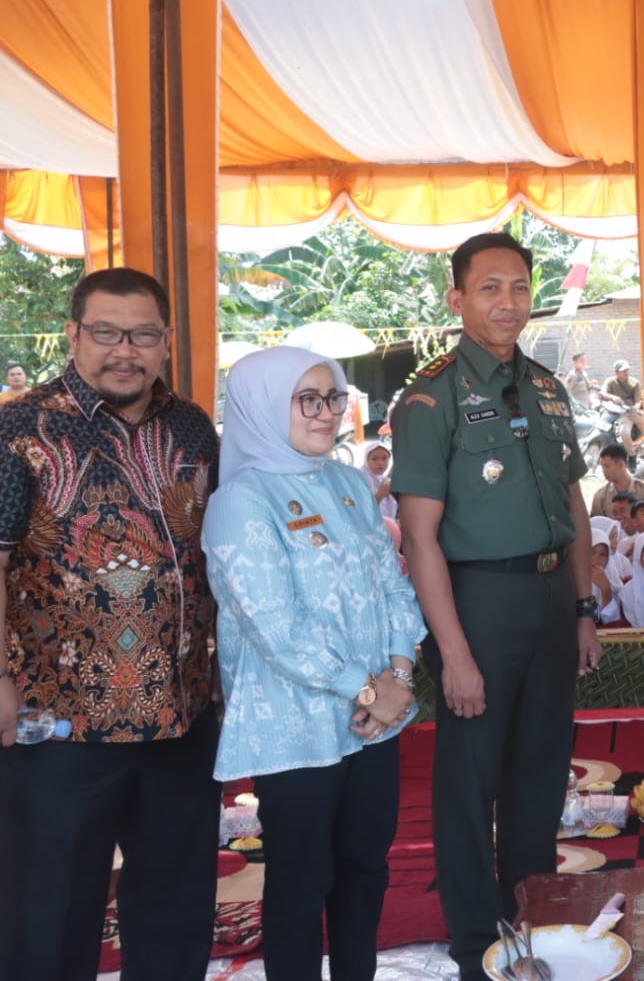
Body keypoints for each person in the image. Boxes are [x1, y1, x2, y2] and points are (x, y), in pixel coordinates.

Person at [389, 232, 603, 981]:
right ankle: (475, 942)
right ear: (456, 300)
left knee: (542, 772)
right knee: (468, 782)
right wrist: (452, 654)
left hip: (548, 598)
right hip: (477, 599)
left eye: (518, 287)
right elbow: (419, 539)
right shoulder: (429, 396)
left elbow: (572, 502)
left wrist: (583, 607)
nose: (507, 302)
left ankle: (533, 915)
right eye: (488, 288)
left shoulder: (546, 386)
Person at [0, 269, 221, 980]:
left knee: (176, 905)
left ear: (164, 342)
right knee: (48, 907)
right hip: (58, 722)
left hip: (180, 714)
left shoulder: (192, 427)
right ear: (72, 335)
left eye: (142, 334)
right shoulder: (17, 428)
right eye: (105, 332)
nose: (123, 350)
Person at [203, 347, 426, 981]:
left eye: (333, 397)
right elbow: (274, 626)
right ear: (264, 406)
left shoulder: (349, 482)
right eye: (308, 399)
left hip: (375, 719)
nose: (326, 413)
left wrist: (400, 676)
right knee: (303, 884)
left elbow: (394, 587)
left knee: (365, 869)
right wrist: (368, 689)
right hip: (294, 729)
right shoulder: (241, 502)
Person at [588, 443, 644, 519]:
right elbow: (598, 525)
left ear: (621, 465)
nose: (604, 471)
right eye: (602, 467)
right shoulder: (600, 497)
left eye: (607, 466)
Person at [601, 359, 642, 459]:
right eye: (623, 371)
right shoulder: (610, 382)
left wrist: (636, 407)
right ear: (616, 372)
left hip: (629, 412)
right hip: (613, 411)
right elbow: (602, 393)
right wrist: (613, 397)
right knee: (602, 426)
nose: (626, 373)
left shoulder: (635, 382)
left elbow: (638, 401)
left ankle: (634, 454)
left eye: (627, 370)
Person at [360, 441, 398, 520]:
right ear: (367, 460)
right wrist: (380, 495)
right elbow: (362, 512)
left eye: (384, 458)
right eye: (374, 459)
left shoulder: (385, 480)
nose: (380, 463)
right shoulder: (360, 480)